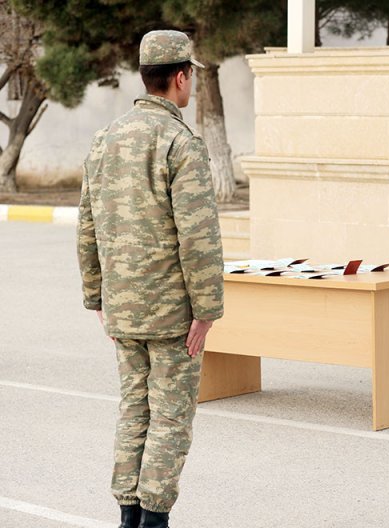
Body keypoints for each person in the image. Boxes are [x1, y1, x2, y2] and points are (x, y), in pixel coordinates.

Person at [77, 30, 224, 528]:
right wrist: (207, 311)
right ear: (181, 77)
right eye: (191, 79)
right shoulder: (180, 142)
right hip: (172, 315)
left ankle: (126, 516)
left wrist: (96, 296)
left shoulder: (105, 138)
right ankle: (154, 520)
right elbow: (199, 237)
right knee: (169, 418)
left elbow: (87, 226)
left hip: (123, 308)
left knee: (133, 411)